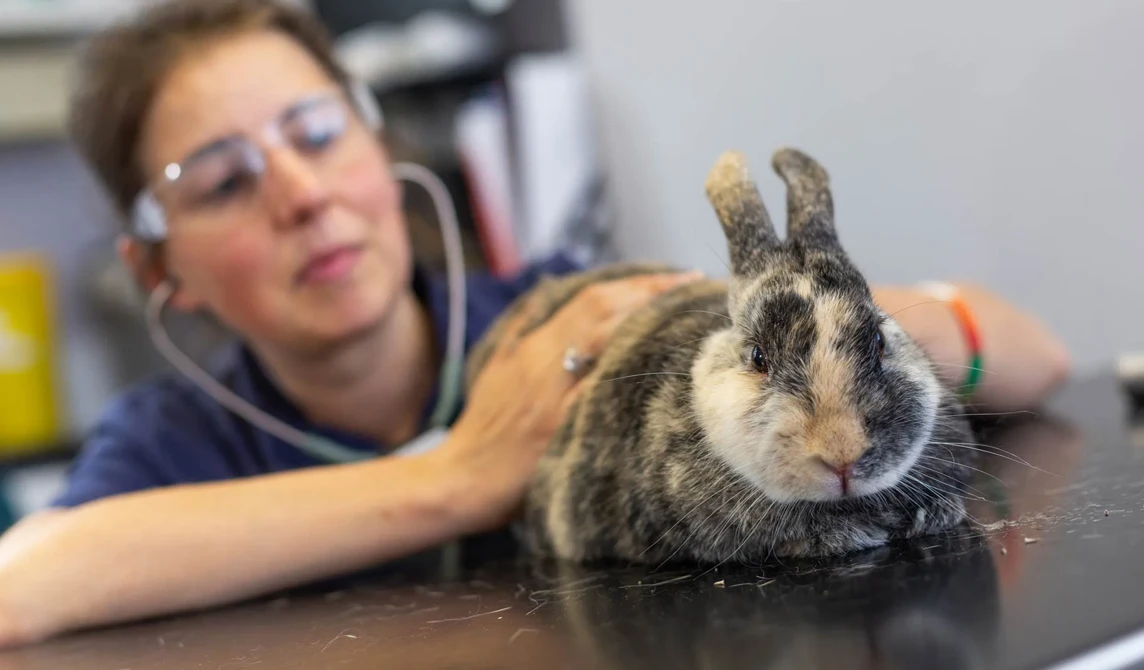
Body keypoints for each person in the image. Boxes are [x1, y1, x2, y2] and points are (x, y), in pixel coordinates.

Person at [0, 0, 1070, 647]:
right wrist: (462, 472)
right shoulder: (175, 444)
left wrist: (847, 335)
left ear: (379, 149)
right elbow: (24, 584)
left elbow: (1032, 349)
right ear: (160, 269)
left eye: (318, 132)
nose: (301, 195)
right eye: (225, 181)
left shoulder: (573, 314)